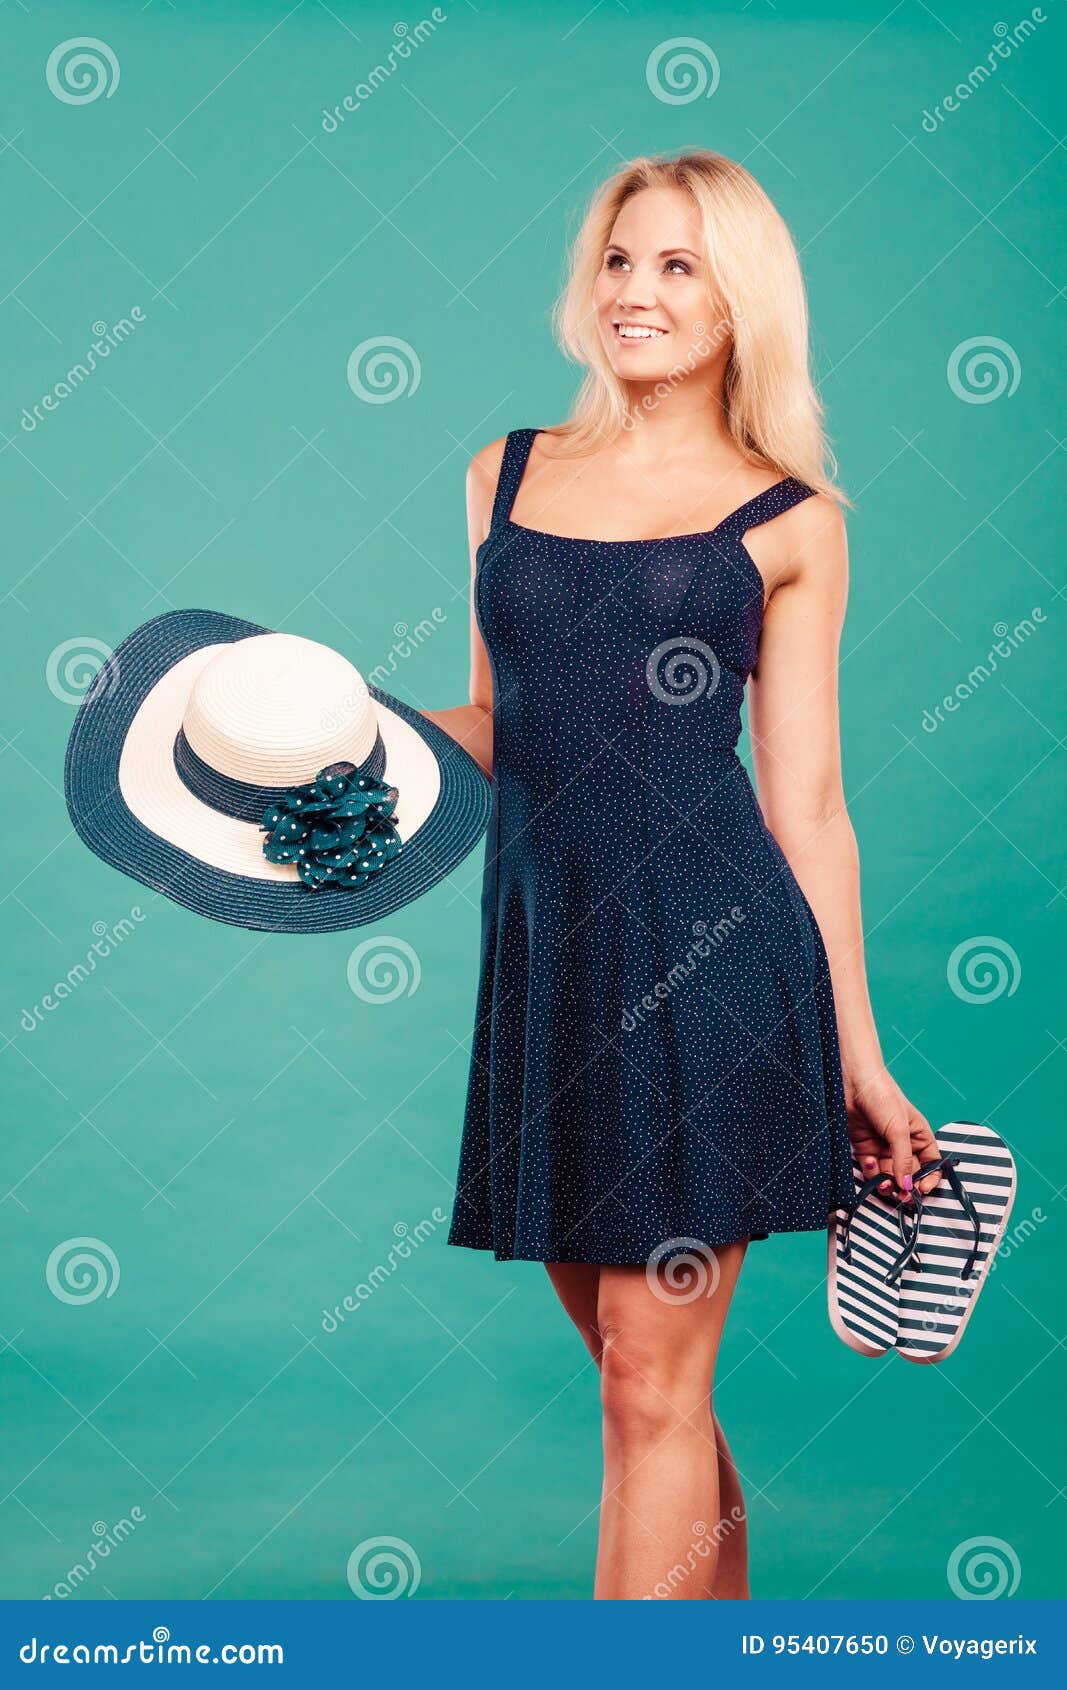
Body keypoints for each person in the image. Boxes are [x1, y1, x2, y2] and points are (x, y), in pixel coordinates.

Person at [424, 149, 939, 1601]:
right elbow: (495, 718)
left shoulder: (789, 519)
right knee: (646, 1386)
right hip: (550, 964)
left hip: (714, 967)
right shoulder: (503, 473)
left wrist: (861, 1055)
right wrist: (347, 737)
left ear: (737, 300)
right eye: (619, 261)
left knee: (648, 1394)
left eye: (678, 266)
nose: (636, 293)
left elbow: (814, 805)